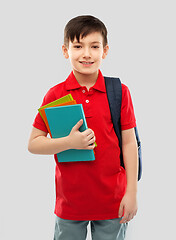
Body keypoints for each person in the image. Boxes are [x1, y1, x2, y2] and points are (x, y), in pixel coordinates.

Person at [28, 15, 138, 240]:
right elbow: (34, 143)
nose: (86, 53)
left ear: (104, 51)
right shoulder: (55, 94)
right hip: (70, 204)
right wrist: (69, 143)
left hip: (113, 202)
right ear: (66, 51)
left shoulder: (119, 92)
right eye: (78, 46)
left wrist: (132, 193)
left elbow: (129, 143)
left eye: (94, 46)